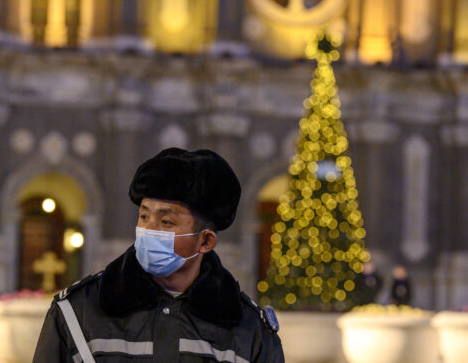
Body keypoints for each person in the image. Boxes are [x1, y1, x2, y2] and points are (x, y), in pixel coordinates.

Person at [33, 148, 284, 362]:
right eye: (144, 216)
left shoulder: (249, 330)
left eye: (166, 222)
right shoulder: (78, 312)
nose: (148, 231)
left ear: (205, 241)